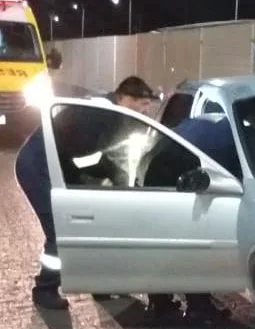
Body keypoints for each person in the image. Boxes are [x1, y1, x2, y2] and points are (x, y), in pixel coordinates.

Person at [15, 76, 156, 310]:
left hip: (57, 165)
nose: (145, 111)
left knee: (91, 225)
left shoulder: (109, 110)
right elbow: (85, 158)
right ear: (126, 98)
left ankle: (99, 284)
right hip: (38, 167)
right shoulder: (101, 115)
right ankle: (45, 289)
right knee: (59, 229)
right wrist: (114, 173)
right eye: (143, 105)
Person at [145, 113, 241, 324]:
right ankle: (199, 307)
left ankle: (159, 302)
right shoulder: (232, 141)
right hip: (175, 175)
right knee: (195, 242)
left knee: (165, 242)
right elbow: (233, 179)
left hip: (157, 166)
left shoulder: (217, 122)